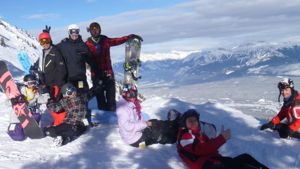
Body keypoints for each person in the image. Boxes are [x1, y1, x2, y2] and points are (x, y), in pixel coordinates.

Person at [177, 109, 268, 169]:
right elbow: (201, 150)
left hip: (213, 161)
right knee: (242, 167)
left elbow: (210, 147)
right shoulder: (185, 136)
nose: (193, 122)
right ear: (185, 124)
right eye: (190, 121)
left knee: (245, 157)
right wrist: (222, 138)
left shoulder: (199, 135)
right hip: (205, 165)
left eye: (195, 120)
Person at [86, 22, 143, 111]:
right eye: (93, 30)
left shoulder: (105, 40)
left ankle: (112, 117)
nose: (95, 31)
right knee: (100, 98)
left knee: (111, 97)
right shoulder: (87, 44)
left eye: (97, 29)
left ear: (100, 30)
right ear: (89, 31)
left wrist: (130, 37)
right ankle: (103, 117)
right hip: (96, 75)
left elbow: (117, 40)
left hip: (108, 73)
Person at [116, 83, 179, 147]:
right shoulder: (122, 109)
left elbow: (137, 119)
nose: (133, 97)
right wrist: (145, 124)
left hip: (135, 133)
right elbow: (127, 127)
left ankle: (172, 125)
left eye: (135, 94)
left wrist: (146, 124)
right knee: (156, 135)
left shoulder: (129, 104)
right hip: (135, 141)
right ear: (125, 94)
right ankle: (175, 137)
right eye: (130, 94)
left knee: (154, 122)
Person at [32, 26, 68, 126]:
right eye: (42, 42)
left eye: (46, 40)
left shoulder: (55, 52)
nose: (45, 44)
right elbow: (41, 64)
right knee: (49, 104)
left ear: (50, 40)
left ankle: (61, 122)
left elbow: (62, 70)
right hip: (46, 84)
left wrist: (59, 86)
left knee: (56, 104)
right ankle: (57, 120)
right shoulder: (43, 52)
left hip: (56, 84)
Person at [58, 24, 98, 94]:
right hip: (69, 79)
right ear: (69, 32)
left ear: (78, 32)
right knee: (70, 98)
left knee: (82, 95)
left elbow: (91, 60)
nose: (74, 34)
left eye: (76, 32)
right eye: (72, 32)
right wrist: (47, 37)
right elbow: (53, 49)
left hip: (80, 78)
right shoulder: (63, 45)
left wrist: (98, 72)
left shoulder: (83, 46)